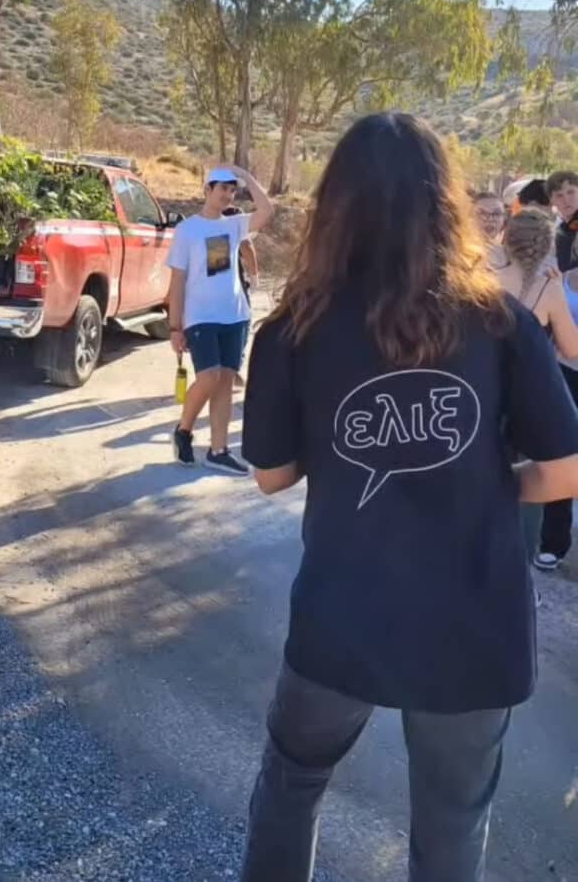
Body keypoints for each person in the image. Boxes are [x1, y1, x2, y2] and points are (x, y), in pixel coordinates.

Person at [239, 113, 578, 882]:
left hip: (341, 616)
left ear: (335, 208)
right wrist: (493, 482)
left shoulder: (293, 328)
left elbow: (271, 474)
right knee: (452, 830)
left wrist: (347, 451)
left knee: (291, 785)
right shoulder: (501, 324)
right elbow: (567, 470)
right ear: (445, 204)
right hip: (474, 626)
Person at [167, 166, 272, 474]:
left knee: (225, 381)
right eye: (222, 188)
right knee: (209, 378)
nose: (228, 194)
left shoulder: (235, 225)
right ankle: (183, 431)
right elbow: (177, 281)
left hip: (235, 316)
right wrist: (175, 327)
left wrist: (245, 176)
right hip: (200, 317)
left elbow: (267, 210)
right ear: (207, 190)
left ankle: (219, 450)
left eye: (232, 189)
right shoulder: (187, 230)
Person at [496, 207, 578, 573]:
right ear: (546, 245)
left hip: (480, 396)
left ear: (506, 238)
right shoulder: (549, 287)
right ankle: (522, 571)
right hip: (528, 403)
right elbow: (572, 348)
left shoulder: (481, 279)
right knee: (532, 484)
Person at [539, 170, 578, 569]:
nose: (567, 199)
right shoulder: (556, 244)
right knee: (563, 450)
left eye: (572, 191)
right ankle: (554, 542)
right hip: (564, 368)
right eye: (560, 194)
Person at [222, 203, 259, 389]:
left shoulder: (210, 226)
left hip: (211, 287)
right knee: (243, 323)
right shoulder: (235, 223)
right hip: (234, 288)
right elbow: (247, 247)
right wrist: (254, 276)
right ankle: (232, 369)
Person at [472, 192, 507, 269]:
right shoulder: (457, 255)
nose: (490, 219)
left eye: (496, 214)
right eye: (482, 213)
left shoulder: (512, 257)